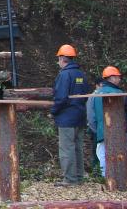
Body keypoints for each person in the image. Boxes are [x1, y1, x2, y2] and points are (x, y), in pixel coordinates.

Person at [51, 44, 89, 186]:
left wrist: (53, 111)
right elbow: (85, 95)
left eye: (58, 59)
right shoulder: (80, 74)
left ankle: (70, 180)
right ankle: (78, 177)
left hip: (66, 117)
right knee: (77, 147)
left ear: (62, 58)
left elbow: (61, 97)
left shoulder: (64, 74)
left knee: (67, 148)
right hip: (79, 116)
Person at [92, 66, 125, 177]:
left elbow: (92, 116)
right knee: (118, 156)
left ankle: (105, 178)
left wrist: (95, 130)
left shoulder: (96, 94)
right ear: (111, 78)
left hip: (101, 131)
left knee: (102, 155)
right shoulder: (119, 93)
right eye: (117, 77)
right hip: (117, 132)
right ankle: (118, 179)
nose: (119, 79)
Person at [86, 76, 104, 170]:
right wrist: (95, 129)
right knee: (96, 151)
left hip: (102, 128)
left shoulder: (103, 95)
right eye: (101, 84)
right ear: (97, 85)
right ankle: (96, 170)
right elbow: (90, 114)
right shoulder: (93, 96)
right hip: (96, 128)